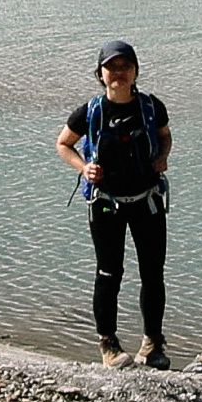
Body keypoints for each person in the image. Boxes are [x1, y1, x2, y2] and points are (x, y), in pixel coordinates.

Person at [55, 36, 172, 366]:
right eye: (112, 68)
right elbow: (63, 143)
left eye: (125, 67)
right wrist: (84, 167)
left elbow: (164, 136)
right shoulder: (90, 112)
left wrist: (163, 156)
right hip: (106, 204)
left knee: (152, 274)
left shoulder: (151, 107)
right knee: (109, 273)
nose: (119, 73)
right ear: (100, 74)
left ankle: (153, 344)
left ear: (135, 72)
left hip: (147, 201)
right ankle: (109, 344)